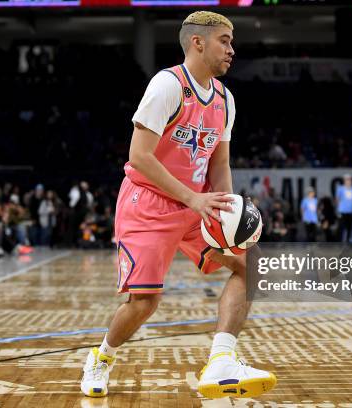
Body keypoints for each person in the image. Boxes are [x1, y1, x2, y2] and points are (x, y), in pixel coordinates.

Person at [80, 11, 276, 400]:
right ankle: (102, 358)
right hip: (148, 204)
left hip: (197, 205)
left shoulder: (224, 99)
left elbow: (220, 163)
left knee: (252, 266)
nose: (232, 49)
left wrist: (227, 210)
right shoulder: (167, 85)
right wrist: (192, 197)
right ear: (197, 42)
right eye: (225, 40)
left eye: (232, 41)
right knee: (145, 303)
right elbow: (139, 155)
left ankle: (221, 359)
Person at [336, 174, 352, 242]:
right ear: (344, 181)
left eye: (350, 179)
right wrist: (338, 208)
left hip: (351, 211)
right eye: (347, 180)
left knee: (350, 228)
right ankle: (340, 243)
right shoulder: (340, 189)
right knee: (341, 227)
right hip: (342, 211)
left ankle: (348, 242)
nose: (349, 181)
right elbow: (337, 199)